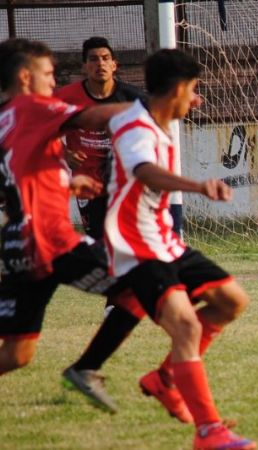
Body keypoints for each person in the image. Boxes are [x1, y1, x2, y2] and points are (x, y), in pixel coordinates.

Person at [106, 49, 255, 449]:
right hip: (134, 244)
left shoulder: (157, 120)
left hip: (163, 238)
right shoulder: (136, 126)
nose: (196, 99)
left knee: (231, 301)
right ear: (175, 89)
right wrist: (197, 185)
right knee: (186, 326)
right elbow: (144, 171)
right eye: (193, 90)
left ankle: (165, 378)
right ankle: (209, 431)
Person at [0, 39, 133, 387]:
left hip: (17, 242)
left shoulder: (5, 118)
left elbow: (17, 179)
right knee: (144, 284)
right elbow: (93, 115)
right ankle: (87, 368)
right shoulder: (32, 105)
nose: (53, 84)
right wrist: (156, 106)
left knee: (17, 354)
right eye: (48, 74)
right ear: (26, 78)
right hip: (48, 238)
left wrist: (65, 186)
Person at [55, 36, 150, 413]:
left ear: (114, 65)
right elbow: (45, 126)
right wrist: (63, 150)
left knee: (125, 238)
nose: (99, 64)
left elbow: (155, 112)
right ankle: (116, 302)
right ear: (84, 67)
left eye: (105, 58)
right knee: (101, 241)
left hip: (124, 182)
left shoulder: (129, 95)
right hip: (88, 183)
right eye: (92, 59)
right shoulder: (67, 97)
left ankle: (116, 304)